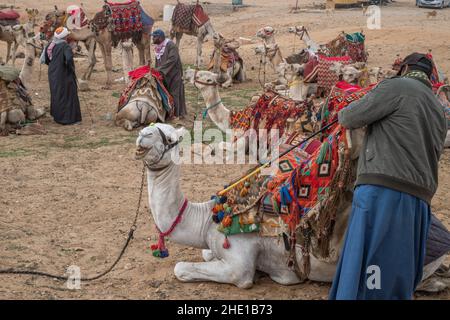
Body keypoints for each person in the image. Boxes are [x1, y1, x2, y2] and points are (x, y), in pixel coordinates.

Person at [329, 53, 447, 300]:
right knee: (397, 265)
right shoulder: (438, 108)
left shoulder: (397, 86)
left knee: (372, 261)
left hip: (383, 189)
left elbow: (349, 117)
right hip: (419, 198)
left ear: (404, 68)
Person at [41, 27, 81, 125]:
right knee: (68, 94)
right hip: (64, 74)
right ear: (65, 37)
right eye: (67, 35)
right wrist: (71, 69)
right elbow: (69, 59)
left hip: (52, 73)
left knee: (56, 93)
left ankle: (57, 117)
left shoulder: (50, 45)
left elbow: (46, 60)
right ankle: (69, 119)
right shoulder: (65, 46)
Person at [152, 29, 187, 119]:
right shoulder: (158, 47)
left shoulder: (171, 45)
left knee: (174, 93)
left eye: (154, 37)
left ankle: (176, 114)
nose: (152, 38)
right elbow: (158, 62)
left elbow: (172, 59)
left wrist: (159, 70)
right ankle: (169, 112)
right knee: (166, 93)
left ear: (160, 38)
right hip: (165, 74)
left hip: (174, 74)